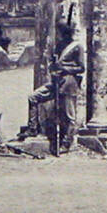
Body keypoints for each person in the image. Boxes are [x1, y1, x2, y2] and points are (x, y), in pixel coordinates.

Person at [33, 14, 83, 154]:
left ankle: (67, 143)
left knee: (69, 115)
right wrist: (53, 68)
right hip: (56, 82)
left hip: (69, 83)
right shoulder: (59, 46)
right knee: (36, 99)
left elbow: (81, 68)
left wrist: (64, 69)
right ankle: (35, 130)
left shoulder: (77, 47)